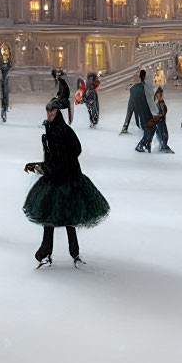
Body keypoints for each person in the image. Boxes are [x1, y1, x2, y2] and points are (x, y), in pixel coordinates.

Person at [23, 97, 110, 267]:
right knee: (55, 214)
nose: (49, 115)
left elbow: (76, 149)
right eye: (48, 112)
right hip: (56, 176)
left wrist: (64, 162)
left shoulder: (63, 131)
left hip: (66, 178)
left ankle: (68, 251)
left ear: (58, 113)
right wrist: (47, 166)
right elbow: (52, 156)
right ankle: (50, 250)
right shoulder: (49, 130)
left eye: (52, 112)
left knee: (64, 214)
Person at [138, 86, 174, 153]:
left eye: (161, 93)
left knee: (155, 134)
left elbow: (162, 112)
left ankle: (150, 146)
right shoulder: (157, 104)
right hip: (154, 123)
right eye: (159, 93)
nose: (161, 95)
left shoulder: (160, 103)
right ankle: (143, 145)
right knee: (151, 135)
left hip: (157, 123)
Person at [120, 69, 152, 136]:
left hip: (136, 107)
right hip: (146, 118)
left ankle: (125, 126)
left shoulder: (134, 87)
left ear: (139, 77)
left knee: (130, 107)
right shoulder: (148, 88)